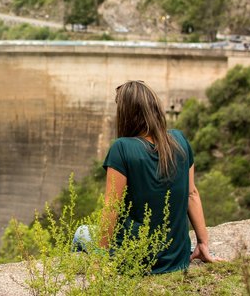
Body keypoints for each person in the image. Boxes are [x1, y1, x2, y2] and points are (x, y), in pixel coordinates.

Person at [76, 80, 218, 273]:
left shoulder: (122, 148)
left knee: (82, 232)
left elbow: (111, 209)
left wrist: (100, 260)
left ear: (126, 114)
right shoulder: (179, 140)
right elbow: (192, 194)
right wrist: (203, 244)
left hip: (135, 258)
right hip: (177, 258)